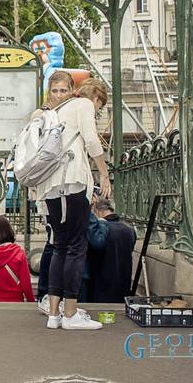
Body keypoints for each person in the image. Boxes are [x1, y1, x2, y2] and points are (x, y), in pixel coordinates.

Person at [29, 73, 110, 330]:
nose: (97, 111)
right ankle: (71, 313)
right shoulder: (82, 105)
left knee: (60, 246)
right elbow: (91, 140)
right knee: (77, 246)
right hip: (72, 182)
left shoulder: (50, 112)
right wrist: (104, 173)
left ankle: (54, 314)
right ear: (94, 98)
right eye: (100, 106)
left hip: (50, 186)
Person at [89, 198, 137, 304]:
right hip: (123, 286)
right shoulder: (129, 230)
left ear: (98, 211)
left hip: (101, 288)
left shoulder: (100, 230)